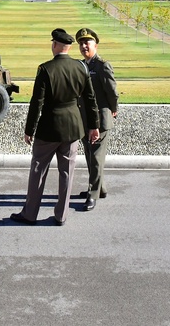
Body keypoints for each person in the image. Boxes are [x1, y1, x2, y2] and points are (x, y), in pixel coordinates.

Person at [10, 28, 99, 226]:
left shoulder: (45, 69)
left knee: (38, 170)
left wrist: (29, 129)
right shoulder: (81, 68)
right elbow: (90, 99)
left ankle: (30, 213)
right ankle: (61, 215)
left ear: (56, 45)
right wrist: (94, 126)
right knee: (67, 172)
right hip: (73, 126)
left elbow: (37, 103)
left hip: (49, 126)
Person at [75, 27, 119, 212]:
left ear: (95, 44)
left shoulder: (102, 66)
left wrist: (113, 109)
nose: (84, 46)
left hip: (100, 119)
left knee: (95, 158)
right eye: (81, 43)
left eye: (87, 42)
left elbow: (112, 92)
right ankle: (100, 189)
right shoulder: (81, 66)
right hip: (85, 119)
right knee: (90, 156)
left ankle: (92, 195)